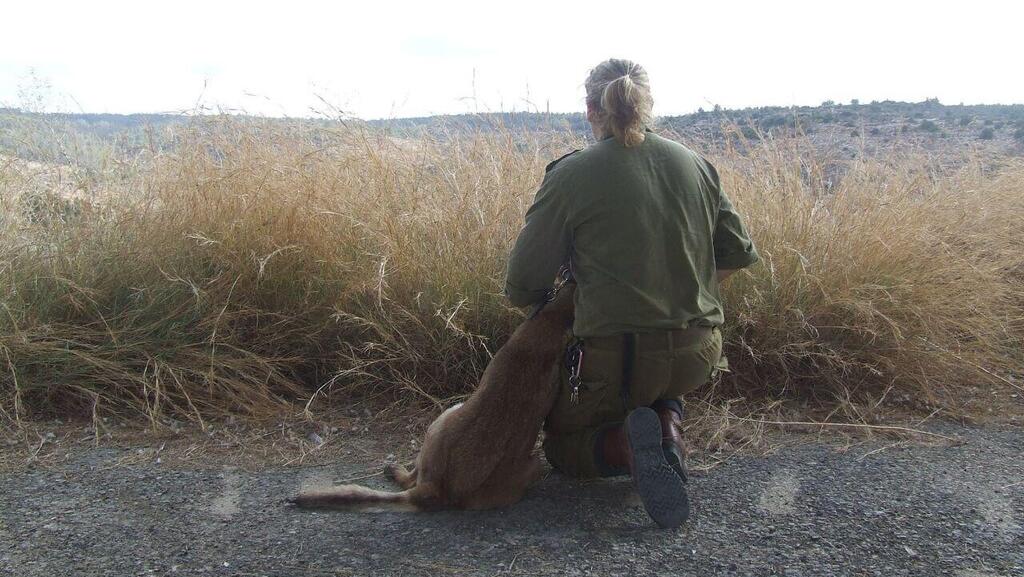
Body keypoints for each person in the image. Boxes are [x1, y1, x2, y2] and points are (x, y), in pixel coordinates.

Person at [504, 58, 759, 528]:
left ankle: (623, 446)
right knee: (659, 385)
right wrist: (684, 287)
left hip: (614, 358)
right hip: (696, 351)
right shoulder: (696, 165)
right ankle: (668, 424)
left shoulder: (571, 173)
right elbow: (738, 253)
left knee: (561, 447)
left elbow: (523, 282)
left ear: (589, 109)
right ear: (648, 105)